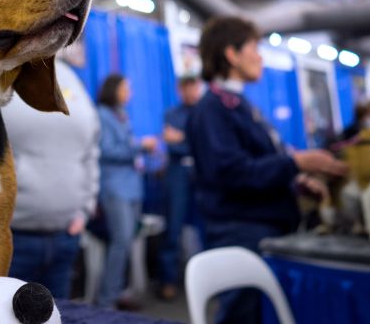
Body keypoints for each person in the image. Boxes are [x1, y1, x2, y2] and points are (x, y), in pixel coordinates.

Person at [186, 17, 347, 324]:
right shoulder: (212, 110)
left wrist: (296, 180)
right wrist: (295, 163)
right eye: (254, 47)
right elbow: (231, 173)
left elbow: (254, 164)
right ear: (232, 55)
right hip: (241, 232)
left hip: (261, 229)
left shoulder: (238, 105)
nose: (260, 56)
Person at [2, 53, 100, 300]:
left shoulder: (72, 80)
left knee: (60, 314)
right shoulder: (0, 72)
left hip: (64, 236)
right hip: (10, 239)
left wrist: (85, 209)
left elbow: (90, 151)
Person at [94, 74, 158, 309]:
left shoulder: (121, 114)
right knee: (120, 242)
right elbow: (107, 150)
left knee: (127, 241)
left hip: (131, 188)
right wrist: (141, 146)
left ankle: (119, 291)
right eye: (125, 88)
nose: (129, 92)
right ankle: (106, 301)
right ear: (113, 90)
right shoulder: (102, 115)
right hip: (115, 188)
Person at [157, 76, 201, 300]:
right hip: (177, 175)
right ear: (180, 89)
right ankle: (168, 280)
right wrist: (190, 141)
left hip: (202, 176)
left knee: (205, 228)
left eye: (195, 86)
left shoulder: (206, 113)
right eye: (187, 87)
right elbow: (173, 145)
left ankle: (207, 277)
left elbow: (204, 144)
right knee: (173, 228)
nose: (192, 91)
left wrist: (183, 138)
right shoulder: (172, 114)